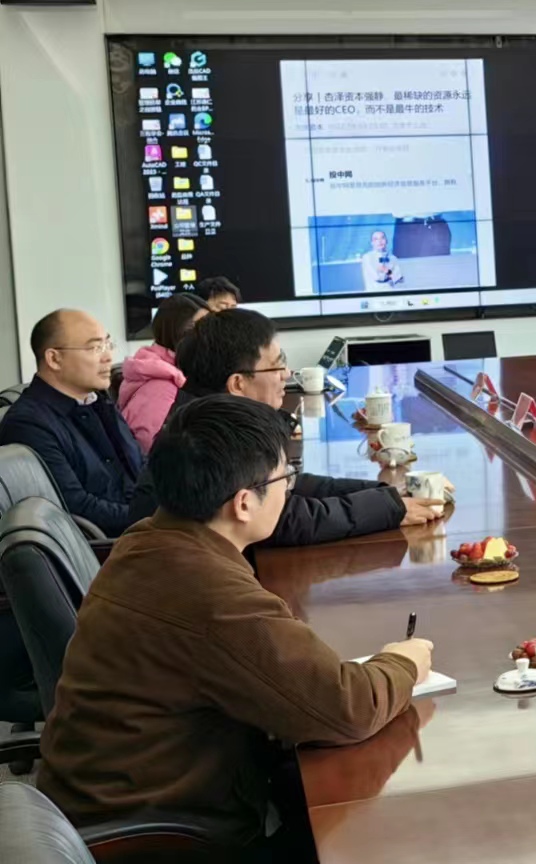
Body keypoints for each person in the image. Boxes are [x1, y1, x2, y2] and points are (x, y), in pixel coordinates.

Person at [37, 394, 432, 848]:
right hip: (159, 840)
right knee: (380, 830)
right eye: (286, 478)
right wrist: (403, 662)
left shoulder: (149, 540)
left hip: (110, 807)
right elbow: (347, 708)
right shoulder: (207, 592)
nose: (289, 490)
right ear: (244, 503)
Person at [130, 308, 446, 543]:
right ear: (238, 383)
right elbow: (287, 519)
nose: (287, 374)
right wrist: (390, 508)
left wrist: (385, 493)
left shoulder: (213, 412)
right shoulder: (209, 434)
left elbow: (286, 484)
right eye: (277, 365)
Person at [0, 309, 143, 536]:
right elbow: (77, 509)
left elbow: (140, 468)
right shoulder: (28, 424)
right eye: (95, 348)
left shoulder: (97, 401)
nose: (108, 357)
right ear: (54, 359)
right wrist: (154, 518)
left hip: (142, 529)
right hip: (111, 544)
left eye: (107, 345)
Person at [118, 292, 208, 451]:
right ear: (177, 332)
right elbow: (146, 448)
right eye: (201, 328)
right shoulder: (161, 385)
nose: (209, 336)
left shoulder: (177, 369)